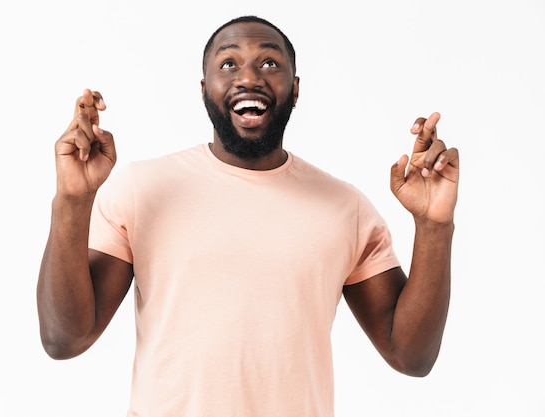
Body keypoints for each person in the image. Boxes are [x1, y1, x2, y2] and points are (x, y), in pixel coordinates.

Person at [37, 15, 459, 417]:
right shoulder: (142, 189)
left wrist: (434, 226)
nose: (249, 77)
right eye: (228, 62)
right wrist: (73, 200)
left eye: (269, 62)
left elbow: (411, 356)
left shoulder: (344, 208)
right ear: (205, 88)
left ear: (295, 89)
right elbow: (64, 338)